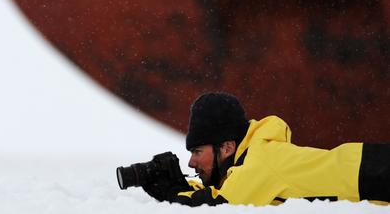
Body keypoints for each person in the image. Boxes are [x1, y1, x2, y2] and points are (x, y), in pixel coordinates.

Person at [142, 92, 390, 206]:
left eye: (197, 152)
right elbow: (228, 189)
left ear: (227, 147)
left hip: (380, 175)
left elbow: (221, 204)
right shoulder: (254, 161)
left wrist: (172, 194)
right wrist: (185, 187)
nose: (191, 163)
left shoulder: (261, 162)